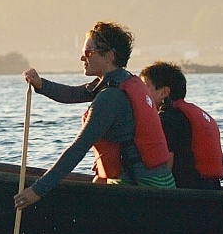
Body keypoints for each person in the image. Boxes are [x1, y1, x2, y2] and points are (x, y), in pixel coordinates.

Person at [14, 22, 174, 210]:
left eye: (89, 53)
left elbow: (78, 149)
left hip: (142, 188)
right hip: (159, 182)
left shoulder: (110, 98)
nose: (82, 57)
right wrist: (41, 84)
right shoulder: (123, 80)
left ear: (109, 56)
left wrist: (37, 191)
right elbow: (72, 94)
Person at [139, 62, 223, 190]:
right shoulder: (187, 116)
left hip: (186, 195)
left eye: (146, 87)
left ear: (164, 92)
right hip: (211, 189)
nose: (141, 93)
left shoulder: (166, 120)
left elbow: (165, 170)